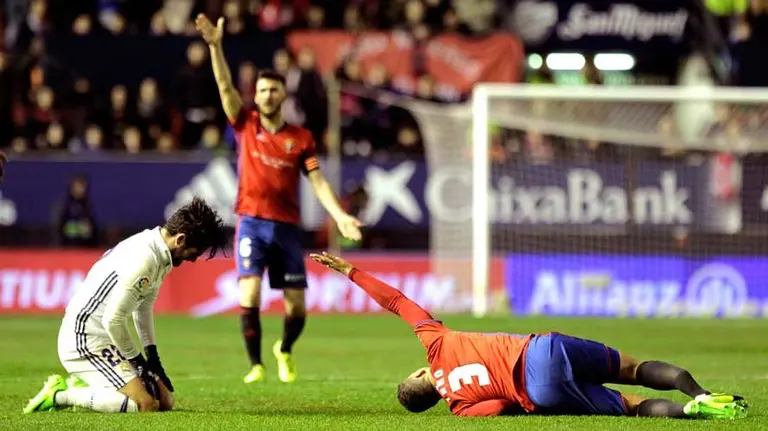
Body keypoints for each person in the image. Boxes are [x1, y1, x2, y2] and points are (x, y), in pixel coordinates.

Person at [309, 251, 749, 420]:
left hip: (538, 392)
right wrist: (351, 271)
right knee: (634, 368)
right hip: (541, 349)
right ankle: (703, 393)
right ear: (420, 373)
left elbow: (500, 407)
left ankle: (694, 414)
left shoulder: (460, 408)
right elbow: (397, 301)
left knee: (632, 407)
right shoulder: (436, 343)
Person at [195, 14, 363, 384]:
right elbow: (224, 86)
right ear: (254, 96)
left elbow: (317, 180)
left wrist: (339, 215)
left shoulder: (301, 138)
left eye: (274, 90)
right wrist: (215, 47)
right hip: (251, 223)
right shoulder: (245, 124)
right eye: (262, 90)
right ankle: (256, 365)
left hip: (286, 228)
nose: (268, 95)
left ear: (283, 94)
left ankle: (284, 349)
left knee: (297, 307)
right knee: (250, 293)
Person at [23, 197, 229, 414]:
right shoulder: (145, 259)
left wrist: (153, 358)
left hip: (107, 338)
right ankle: (61, 394)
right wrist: (138, 362)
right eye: (194, 253)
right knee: (146, 405)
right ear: (180, 239)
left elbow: (144, 306)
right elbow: (112, 320)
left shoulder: (161, 251)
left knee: (165, 401)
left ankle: (95, 384)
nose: (193, 259)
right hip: (84, 339)